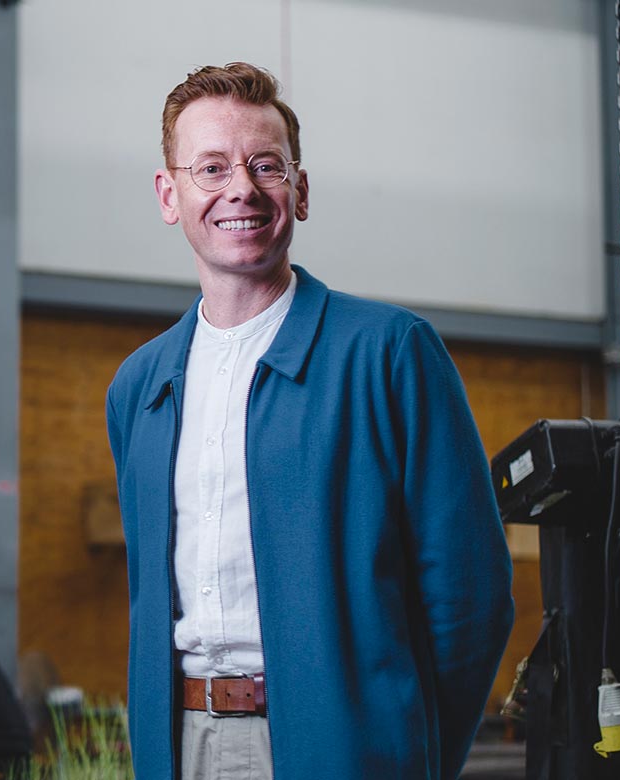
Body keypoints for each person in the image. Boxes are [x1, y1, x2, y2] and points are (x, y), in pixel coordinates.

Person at [105, 62, 515, 779]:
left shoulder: (388, 354)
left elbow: (471, 597)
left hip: (349, 750)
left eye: (267, 165)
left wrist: (407, 752)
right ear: (169, 194)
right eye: (211, 168)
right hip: (180, 745)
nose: (242, 188)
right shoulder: (139, 386)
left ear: (299, 189)